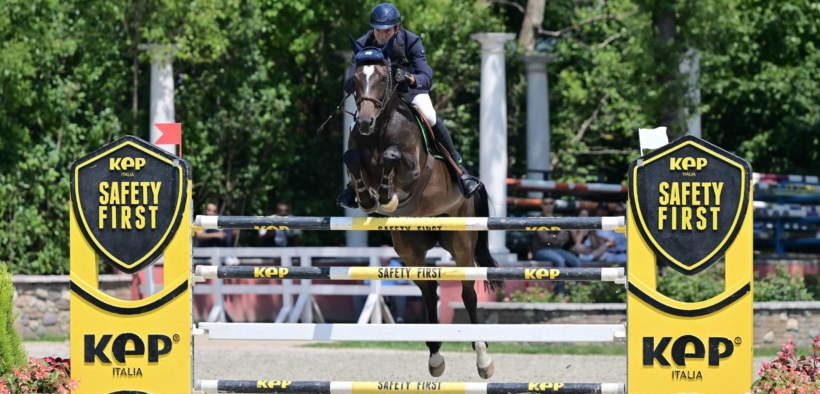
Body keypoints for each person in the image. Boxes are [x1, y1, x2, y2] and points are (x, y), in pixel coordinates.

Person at [336, 3, 479, 209]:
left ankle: (460, 171)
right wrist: (359, 79)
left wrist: (410, 78)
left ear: (397, 28)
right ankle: (353, 185)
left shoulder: (411, 41)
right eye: (377, 30)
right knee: (355, 125)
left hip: (409, 93)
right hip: (377, 98)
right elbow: (350, 80)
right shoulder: (363, 44)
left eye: (386, 31)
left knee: (429, 115)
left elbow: (426, 77)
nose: (381, 35)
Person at [532, 198, 583, 297]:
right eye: (546, 203)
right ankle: (559, 293)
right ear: (542, 206)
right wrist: (558, 237)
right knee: (559, 261)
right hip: (541, 250)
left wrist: (554, 237)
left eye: (551, 203)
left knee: (576, 261)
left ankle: (576, 293)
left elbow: (565, 238)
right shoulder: (538, 219)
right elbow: (545, 238)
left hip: (556, 249)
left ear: (553, 205)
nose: (548, 205)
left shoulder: (558, 218)